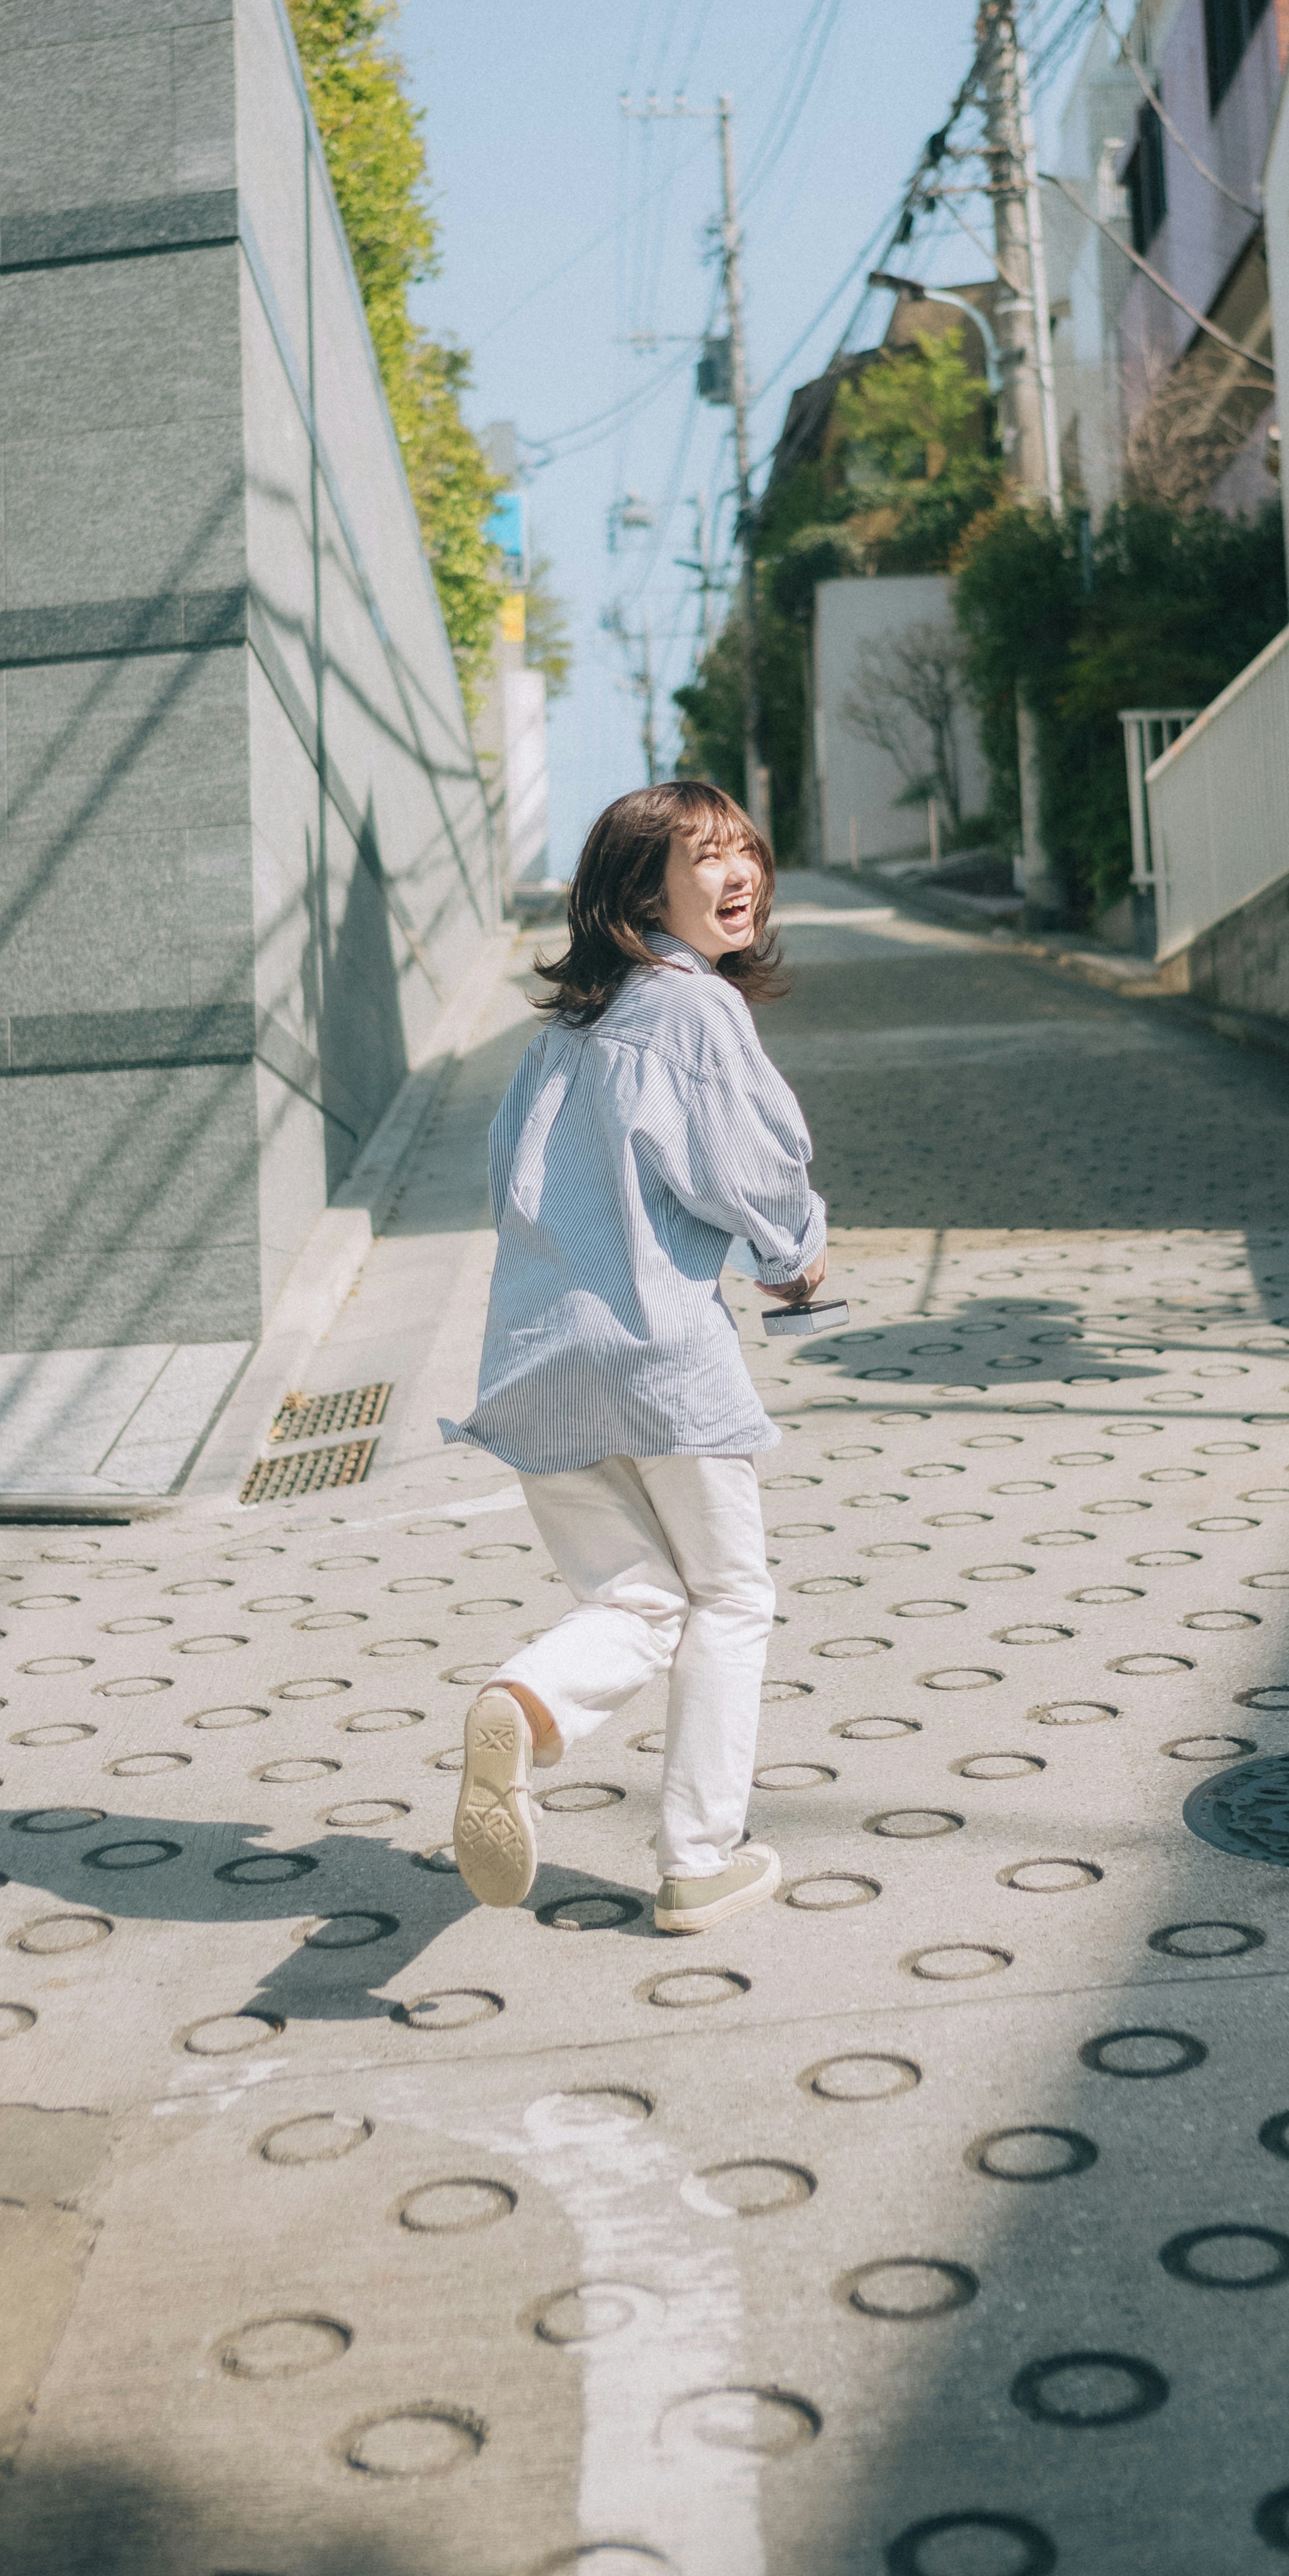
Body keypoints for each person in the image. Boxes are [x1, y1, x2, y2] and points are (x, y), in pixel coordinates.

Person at [442, 780, 826, 1935]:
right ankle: (700, 1860)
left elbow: (509, 1178)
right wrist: (794, 1254)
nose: (739, 873)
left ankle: (526, 1698)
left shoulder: (559, 1037)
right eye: (705, 856)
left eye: (746, 850)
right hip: (661, 1356)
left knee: (638, 1597)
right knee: (732, 1595)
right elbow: (751, 1168)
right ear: (639, 887)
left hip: (538, 1363)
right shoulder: (691, 1007)